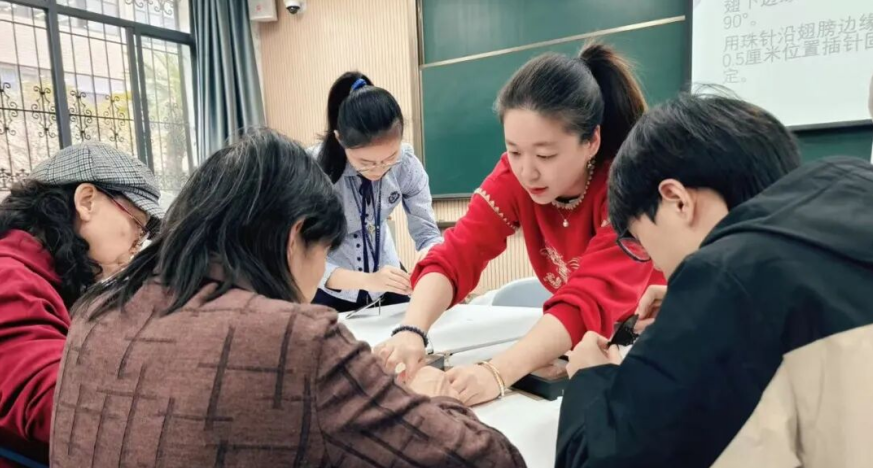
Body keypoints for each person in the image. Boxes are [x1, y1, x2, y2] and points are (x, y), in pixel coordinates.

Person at [51, 130, 525, 468]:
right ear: (295, 236)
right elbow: (490, 459)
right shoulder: (293, 340)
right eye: (324, 253)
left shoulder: (95, 310)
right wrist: (426, 396)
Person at [557, 93, 873, 468]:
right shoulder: (854, 188)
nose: (655, 263)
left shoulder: (725, 281)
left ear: (676, 200)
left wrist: (591, 378)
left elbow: (602, 460)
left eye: (643, 242)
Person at [374, 43, 661, 405]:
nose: (527, 171)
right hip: (586, 345)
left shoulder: (625, 187)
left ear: (591, 142)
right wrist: (411, 330)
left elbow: (586, 300)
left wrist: (496, 373)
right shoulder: (515, 177)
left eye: (545, 155)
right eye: (513, 151)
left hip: (652, 340)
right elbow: (457, 254)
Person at [0, 143, 162, 468]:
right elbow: (57, 403)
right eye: (138, 224)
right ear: (87, 200)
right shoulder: (10, 277)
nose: (137, 246)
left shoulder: (42, 276)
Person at [311, 72, 443, 312]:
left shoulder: (406, 163)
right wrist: (368, 280)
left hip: (387, 279)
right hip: (331, 286)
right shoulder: (314, 170)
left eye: (390, 157)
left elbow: (428, 233)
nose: (379, 169)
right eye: (365, 162)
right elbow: (304, 257)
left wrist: (429, 255)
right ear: (340, 139)